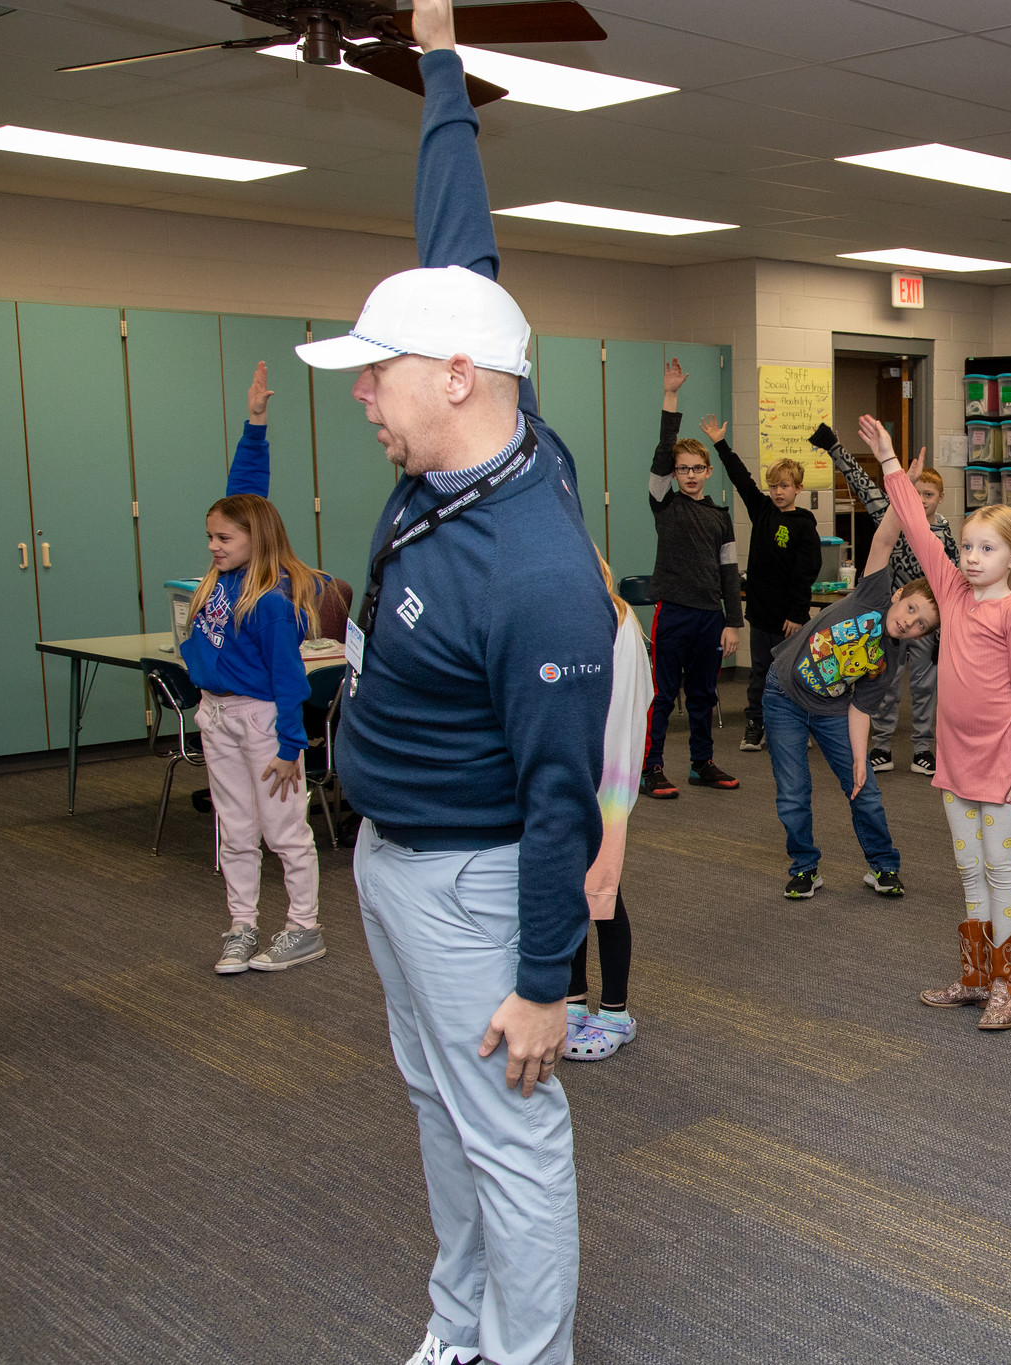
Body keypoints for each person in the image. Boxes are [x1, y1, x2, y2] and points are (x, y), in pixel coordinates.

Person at [308, 8, 616, 1363]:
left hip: (473, 877)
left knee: (505, 1125)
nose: (362, 397)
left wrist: (548, 982)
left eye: (377, 375)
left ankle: (524, 1355)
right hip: (391, 854)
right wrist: (439, 64)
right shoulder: (480, 407)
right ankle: (460, 1330)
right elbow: (458, 237)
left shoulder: (539, 574)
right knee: (439, 1106)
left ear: (453, 375)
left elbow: (565, 804)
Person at [861, 415, 1011, 1032]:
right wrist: (888, 460)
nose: (970, 557)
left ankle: (1007, 988)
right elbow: (913, 522)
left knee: (1002, 870)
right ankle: (974, 979)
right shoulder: (953, 591)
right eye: (966, 546)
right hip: (954, 761)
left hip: (1002, 766)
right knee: (969, 874)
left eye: (985, 548)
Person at [181, 361, 332, 974]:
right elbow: (246, 493)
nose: (213, 547)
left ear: (254, 541)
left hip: (266, 725)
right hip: (217, 715)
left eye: (224, 539)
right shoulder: (224, 577)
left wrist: (292, 745)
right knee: (235, 828)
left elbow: (289, 679)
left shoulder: (269, 600)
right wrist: (255, 422)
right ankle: (243, 926)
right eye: (211, 537)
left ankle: (304, 927)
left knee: (283, 831)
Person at [761, 498, 930, 900]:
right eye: (910, 608)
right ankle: (804, 868)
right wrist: (902, 487)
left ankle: (884, 867)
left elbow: (861, 707)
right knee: (793, 792)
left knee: (865, 789)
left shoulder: (887, 661)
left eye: (920, 623)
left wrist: (859, 759)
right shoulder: (872, 594)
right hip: (782, 694)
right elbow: (886, 539)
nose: (909, 621)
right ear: (899, 593)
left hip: (832, 710)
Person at [822, 423, 958, 776]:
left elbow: (957, 584)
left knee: (926, 687)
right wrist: (836, 448)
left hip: (926, 625)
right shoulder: (892, 517)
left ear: (940, 498)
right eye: (917, 493)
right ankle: (881, 745)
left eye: (929, 494)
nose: (923, 499)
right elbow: (863, 484)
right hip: (893, 617)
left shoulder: (946, 536)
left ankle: (923, 748)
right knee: (884, 683)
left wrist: (947, 631)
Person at [563, 551, 654, 1062]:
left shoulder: (617, 620)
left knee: (602, 892)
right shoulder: (570, 620)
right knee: (567, 892)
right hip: (568, 774)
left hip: (605, 780)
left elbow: (629, 702)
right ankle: (574, 999)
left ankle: (616, 1011)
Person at [640, 360, 742, 799]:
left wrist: (732, 621)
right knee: (663, 695)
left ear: (708, 471)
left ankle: (701, 762)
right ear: (674, 474)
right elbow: (664, 450)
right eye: (683, 469)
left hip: (709, 618)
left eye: (697, 468)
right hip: (674, 613)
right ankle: (652, 768)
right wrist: (670, 396)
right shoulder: (665, 504)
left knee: (704, 694)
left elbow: (729, 572)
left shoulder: (720, 518)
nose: (690, 475)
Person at [698, 412, 820, 756]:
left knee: (794, 673)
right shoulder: (763, 510)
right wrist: (720, 443)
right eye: (774, 486)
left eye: (785, 486)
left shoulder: (804, 526)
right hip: (762, 614)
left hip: (790, 619)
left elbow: (804, 574)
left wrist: (797, 613)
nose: (778, 492)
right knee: (760, 673)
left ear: (798, 488)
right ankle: (756, 724)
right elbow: (741, 479)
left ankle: (800, 724)